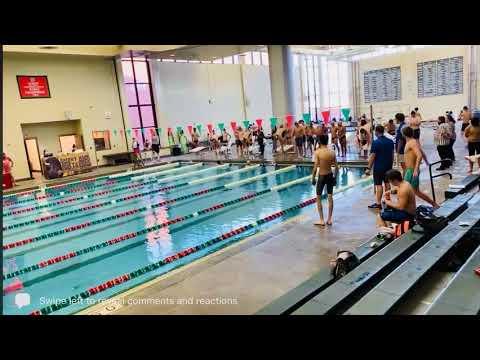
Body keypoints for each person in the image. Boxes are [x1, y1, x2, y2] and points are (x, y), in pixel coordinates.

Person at [402, 126, 439, 208]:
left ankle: (433, 204)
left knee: (413, 191)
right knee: (410, 190)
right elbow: (422, 152)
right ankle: (408, 206)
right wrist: (427, 162)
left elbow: (419, 155)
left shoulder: (412, 142)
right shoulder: (413, 142)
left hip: (412, 171)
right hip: (410, 170)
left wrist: (415, 170)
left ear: (403, 134)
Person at [366, 125, 394, 210]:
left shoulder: (376, 142)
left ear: (376, 132)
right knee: (387, 183)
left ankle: (378, 203)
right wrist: (391, 165)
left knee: (378, 185)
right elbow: (392, 155)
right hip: (388, 166)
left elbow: (372, 156)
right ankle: (388, 201)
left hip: (379, 167)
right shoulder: (390, 141)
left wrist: (368, 168)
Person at [311, 134, 338, 226]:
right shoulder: (332, 152)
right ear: (327, 141)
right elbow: (337, 168)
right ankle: (329, 219)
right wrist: (335, 178)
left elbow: (315, 168)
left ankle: (321, 220)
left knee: (318, 197)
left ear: (319, 141)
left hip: (321, 176)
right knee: (330, 197)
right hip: (330, 175)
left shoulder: (317, 152)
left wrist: (313, 178)